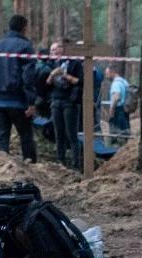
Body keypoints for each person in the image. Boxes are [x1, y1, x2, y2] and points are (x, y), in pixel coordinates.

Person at [0, 15, 38, 163]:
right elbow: (28, 76)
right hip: (19, 101)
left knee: (2, 141)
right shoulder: (25, 47)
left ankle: (2, 173)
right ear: (24, 27)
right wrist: (31, 101)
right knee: (26, 139)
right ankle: (31, 172)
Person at [47, 39, 83, 169]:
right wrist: (52, 75)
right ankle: (60, 163)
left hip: (70, 102)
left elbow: (80, 81)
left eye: (58, 48)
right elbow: (47, 83)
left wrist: (65, 75)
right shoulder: (52, 63)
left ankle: (76, 165)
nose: (55, 51)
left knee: (72, 134)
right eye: (53, 49)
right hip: (55, 101)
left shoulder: (75, 63)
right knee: (59, 133)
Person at [102, 65, 130, 143]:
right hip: (125, 110)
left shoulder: (116, 84)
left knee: (117, 134)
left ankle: (114, 151)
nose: (107, 76)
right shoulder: (124, 82)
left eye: (107, 74)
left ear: (113, 72)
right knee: (125, 132)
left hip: (118, 111)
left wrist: (111, 110)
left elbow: (116, 97)